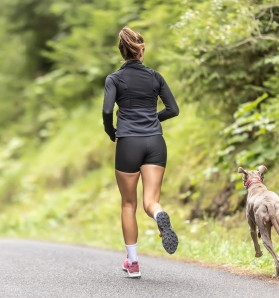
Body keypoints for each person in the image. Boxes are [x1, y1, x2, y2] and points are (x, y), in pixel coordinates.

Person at [102, 27, 180, 278]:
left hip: (128, 142)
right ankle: (159, 214)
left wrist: (111, 130)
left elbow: (106, 111)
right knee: (150, 201)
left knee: (128, 203)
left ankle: (133, 263)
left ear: (121, 52)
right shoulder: (155, 76)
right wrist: (152, 119)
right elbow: (173, 109)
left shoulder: (114, 79)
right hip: (155, 142)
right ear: (141, 51)